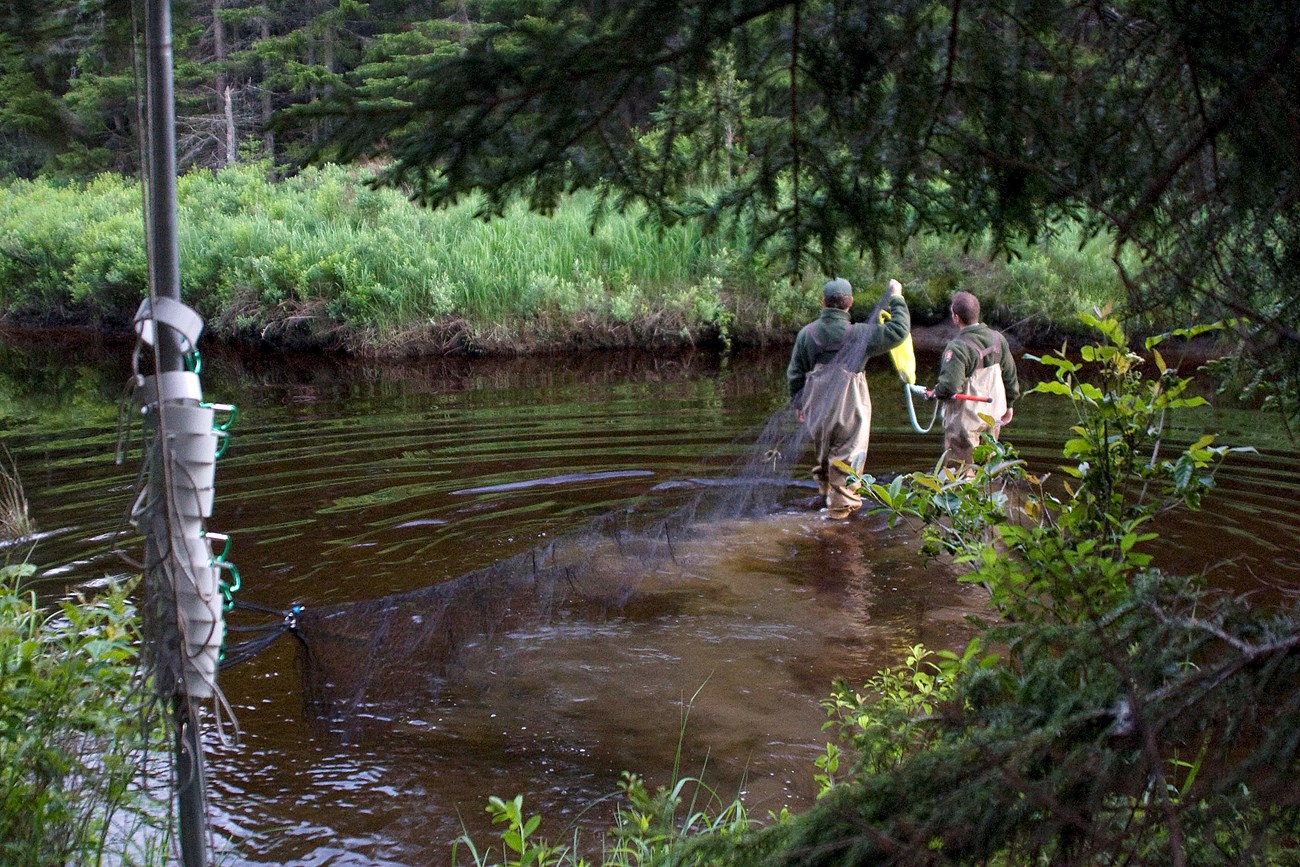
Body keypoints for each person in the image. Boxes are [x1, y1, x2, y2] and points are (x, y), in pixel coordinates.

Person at [787, 277, 910, 519]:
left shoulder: (806, 334)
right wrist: (896, 297)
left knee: (825, 458)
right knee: (847, 462)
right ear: (850, 303)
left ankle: (826, 500)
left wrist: (799, 404)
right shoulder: (861, 334)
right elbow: (899, 330)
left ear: (823, 303)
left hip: (816, 409)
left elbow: (795, 373)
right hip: (850, 409)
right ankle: (839, 522)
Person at [927, 290, 1020, 469]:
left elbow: (950, 386)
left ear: (956, 317)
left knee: (959, 473)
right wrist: (1009, 405)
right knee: (987, 471)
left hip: (966, 421)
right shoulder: (998, 339)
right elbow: (1010, 375)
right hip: (993, 417)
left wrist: (935, 393)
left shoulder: (957, 348)